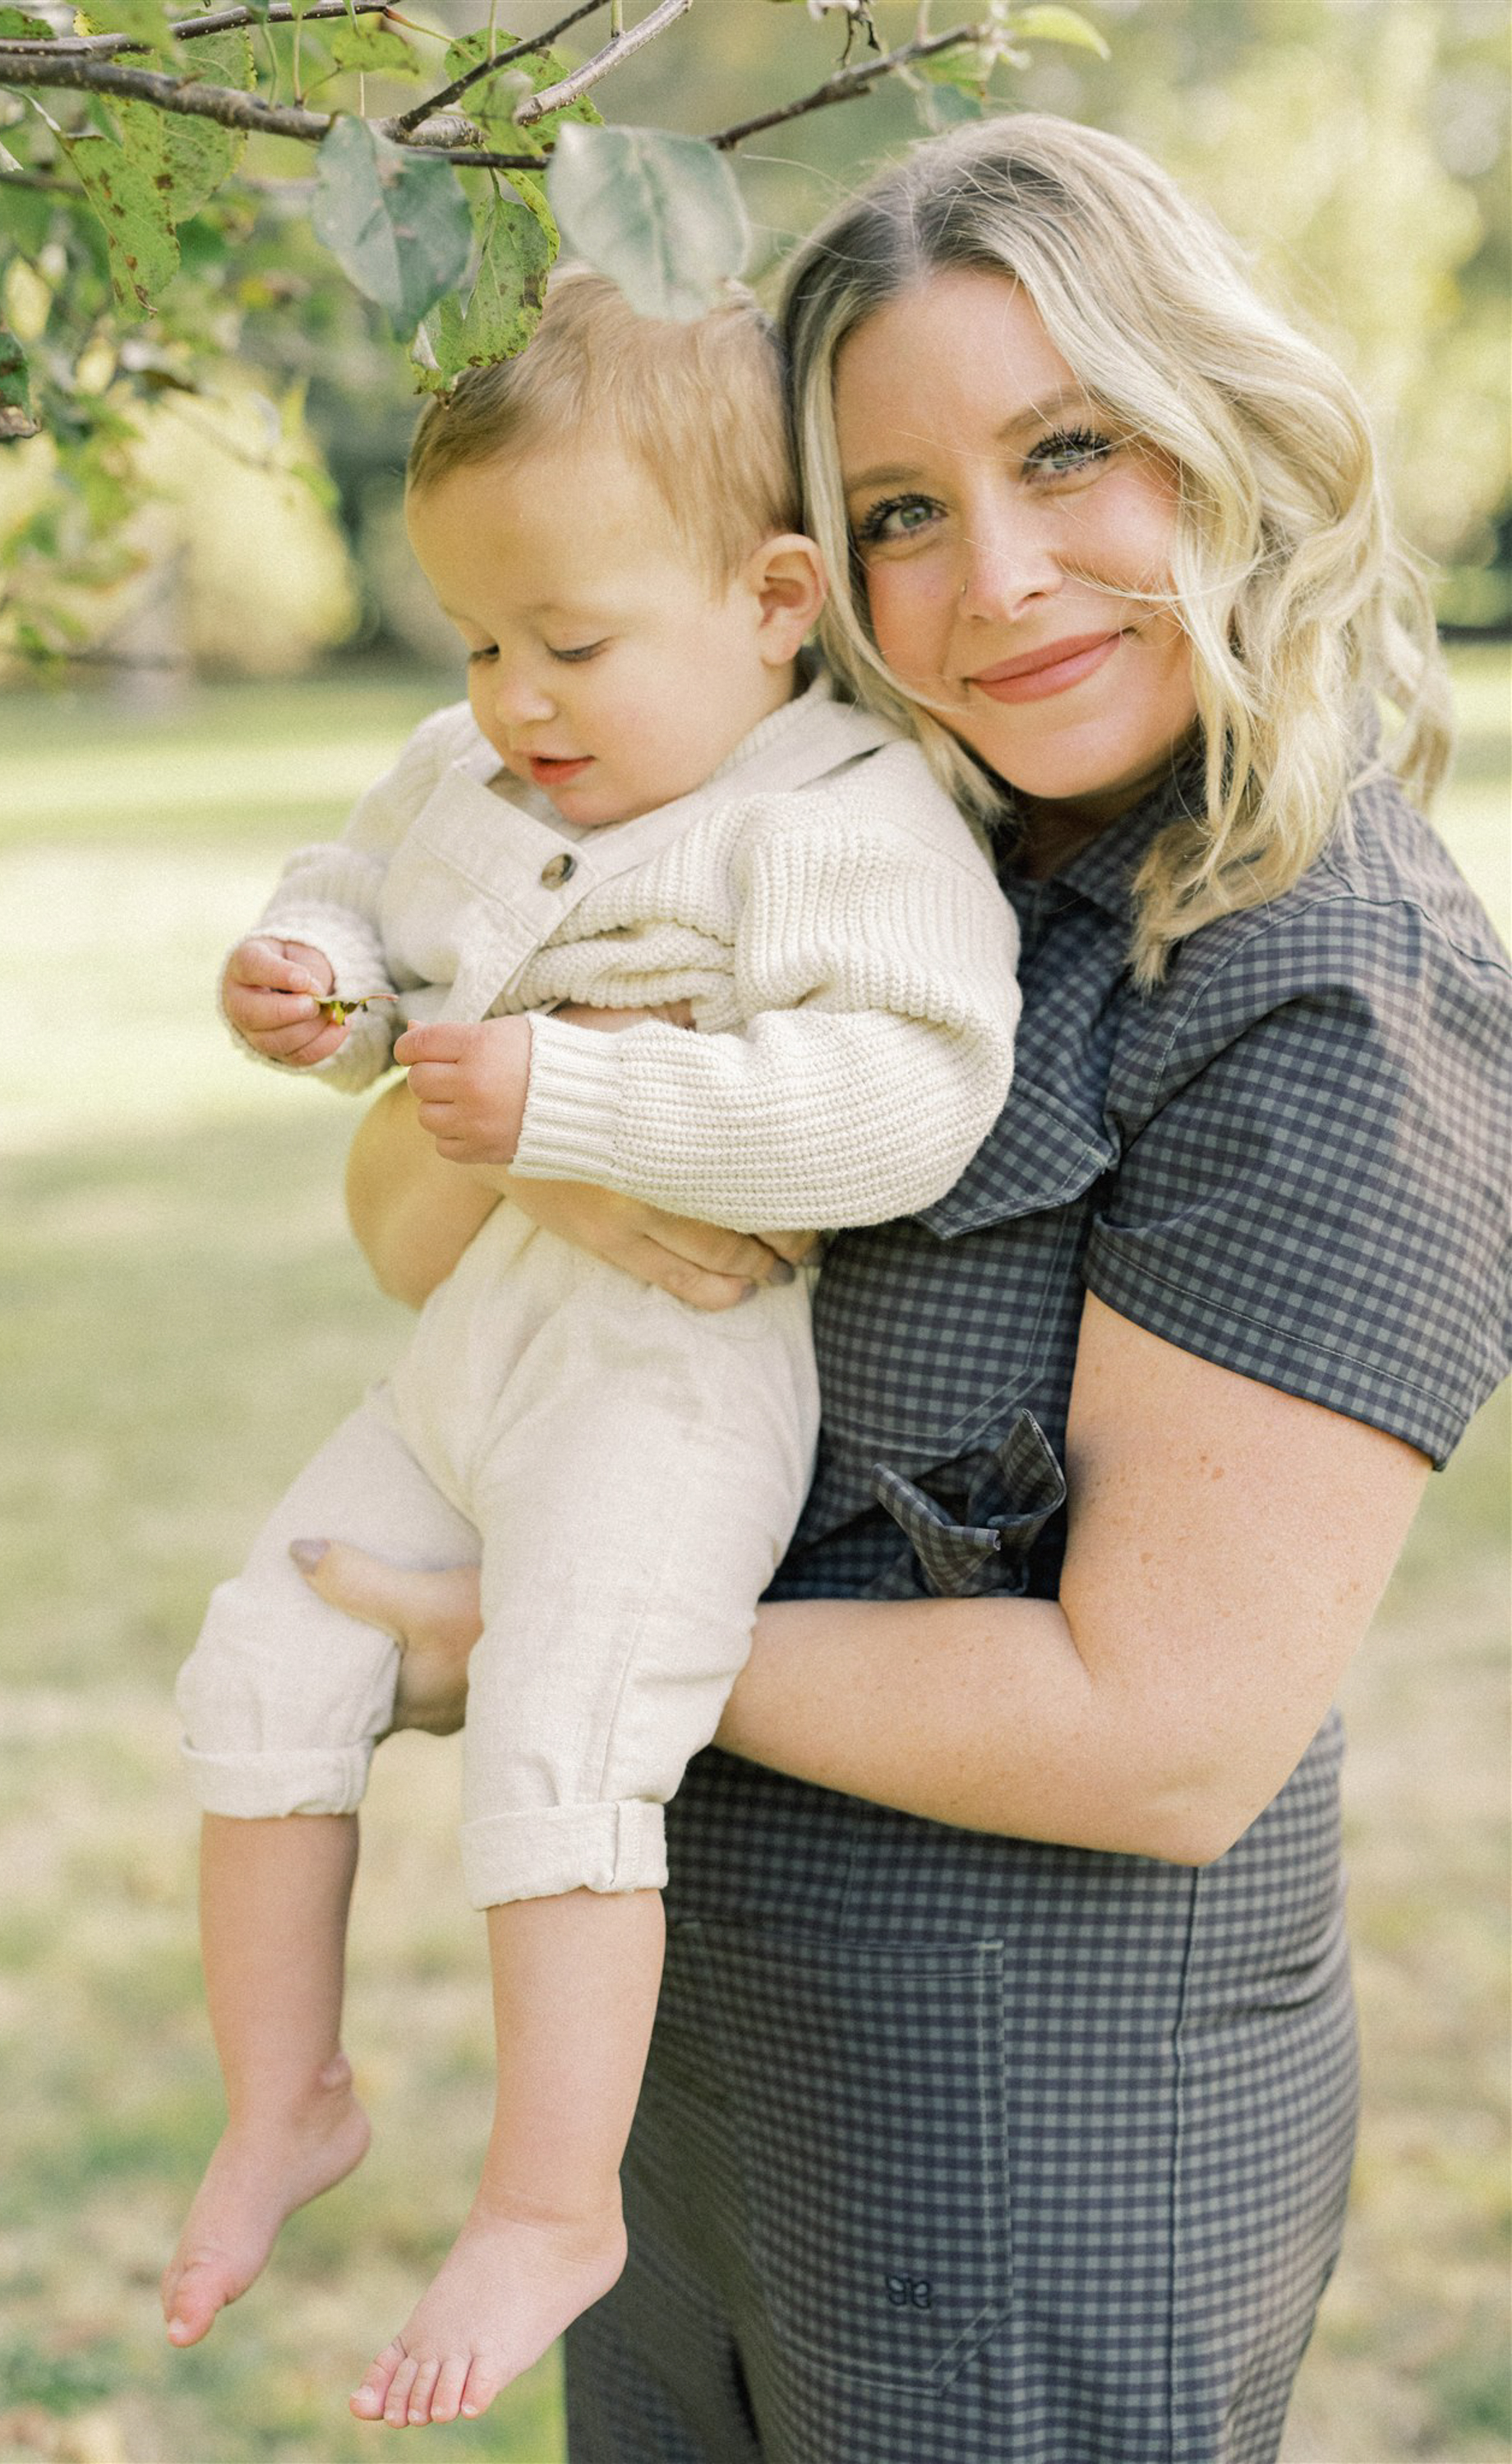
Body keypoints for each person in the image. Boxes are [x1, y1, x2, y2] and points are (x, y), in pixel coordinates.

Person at [304, 115, 1512, 2462]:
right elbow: (406, 1205)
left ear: (1224, 434)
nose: (999, 579)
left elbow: (1165, 1732)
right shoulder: (865, 843)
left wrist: (550, 1629)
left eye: (1070, 452)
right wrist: (555, 1142)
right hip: (705, 2074)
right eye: (896, 511)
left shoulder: (1327, 985)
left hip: (1021, 2140)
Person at [159, 272, 1021, 2429]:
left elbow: (909, 1099)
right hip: (470, 1358)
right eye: (475, 643)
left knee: (565, 1722)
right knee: (263, 1653)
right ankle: (285, 2097)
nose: (511, 700)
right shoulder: (476, 769)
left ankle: (553, 2202)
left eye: (567, 644)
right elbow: (368, 900)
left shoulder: (842, 820)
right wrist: (309, 977)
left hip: (669, 1380)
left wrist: (570, 1096)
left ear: (773, 601)